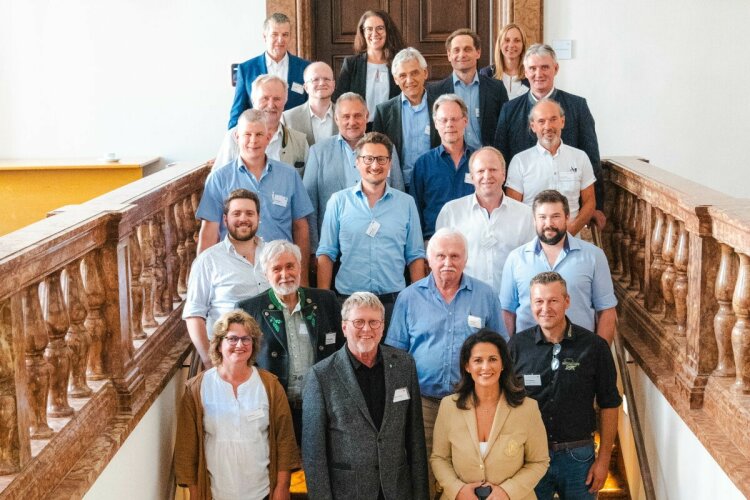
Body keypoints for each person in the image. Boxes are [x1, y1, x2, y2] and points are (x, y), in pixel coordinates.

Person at [386, 227, 504, 497]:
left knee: (469, 473)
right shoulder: (409, 298)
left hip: (470, 402)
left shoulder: (485, 296)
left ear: (465, 258)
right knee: (423, 469)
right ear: (429, 259)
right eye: (441, 256)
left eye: (455, 256)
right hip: (424, 403)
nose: (448, 263)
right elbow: (395, 358)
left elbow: (500, 350)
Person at [302, 292, 429, 500]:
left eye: (373, 322)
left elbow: (415, 440)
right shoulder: (321, 375)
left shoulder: (404, 365)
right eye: (358, 322)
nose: (367, 329)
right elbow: (314, 455)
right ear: (344, 327)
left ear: (383, 326)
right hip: (348, 492)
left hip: (397, 490)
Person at [509, 272, 622, 499]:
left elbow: (609, 404)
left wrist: (603, 461)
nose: (545, 308)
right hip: (530, 457)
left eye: (553, 300)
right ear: (531, 304)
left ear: (567, 301)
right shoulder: (516, 346)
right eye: (539, 301)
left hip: (578, 457)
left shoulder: (594, 347)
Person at [174, 310, 299, 500]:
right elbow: (187, 448)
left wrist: (282, 487)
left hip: (262, 492)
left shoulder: (270, 386)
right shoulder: (196, 389)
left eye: (246, 339)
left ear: (253, 344)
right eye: (232, 339)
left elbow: (285, 441)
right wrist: (195, 492)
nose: (240, 345)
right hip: (215, 493)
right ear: (218, 344)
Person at [236, 240, 343, 442]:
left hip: (321, 406)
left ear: (300, 267)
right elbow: (243, 364)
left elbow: (341, 350)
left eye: (290, 266)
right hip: (274, 409)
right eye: (276, 269)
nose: (285, 274)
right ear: (265, 274)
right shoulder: (249, 310)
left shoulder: (326, 301)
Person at [316, 132, 426, 327]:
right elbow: (326, 253)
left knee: (394, 356)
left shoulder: (406, 203)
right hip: (349, 301)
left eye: (381, 159)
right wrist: (324, 301)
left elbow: (415, 256)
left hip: (394, 303)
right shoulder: (338, 201)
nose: (375, 165)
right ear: (357, 162)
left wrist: (418, 299)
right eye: (368, 159)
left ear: (390, 163)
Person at [493, 43, 606, 228]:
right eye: (533, 68)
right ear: (525, 72)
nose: (539, 74)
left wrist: (598, 206)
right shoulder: (509, 110)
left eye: (545, 67)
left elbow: (592, 157)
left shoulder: (577, 106)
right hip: (525, 217)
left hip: (570, 216)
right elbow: (501, 158)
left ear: (556, 69)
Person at [196, 109, 313, 283]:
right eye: (247, 134)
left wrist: (302, 279)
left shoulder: (289, 175)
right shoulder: (219, 178)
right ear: (237, 137)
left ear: (268, 137)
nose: (253, 140)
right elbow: (209, 232)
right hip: (233, 271)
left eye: (259, 134)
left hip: (281, 272)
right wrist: (202, 281)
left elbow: (300, 227)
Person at [431, 330, 549, 500]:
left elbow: (539, 461)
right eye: (478, 360)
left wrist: (507, 492)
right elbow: (439, 458)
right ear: (467, 366)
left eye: (493, 359)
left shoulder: (528, 408)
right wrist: (458, 490)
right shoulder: (448, 406)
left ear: (503, 364)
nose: (486, 367)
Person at [500, 190, 617, 342]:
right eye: (542, 217)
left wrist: (600, 355)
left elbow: (606, 310)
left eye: (555, 216)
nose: (549, 224)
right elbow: (507, 312)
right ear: (534, 220)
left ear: (567, 218)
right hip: (529, 355)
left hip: (579, 352)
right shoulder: (516, 259)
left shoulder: (594, 256)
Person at [303, 93, 405, 252]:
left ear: (367, 116)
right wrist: (314, 249)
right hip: (333, 247)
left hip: (381, 244)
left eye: (357, 115)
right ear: (336, 119)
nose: (352, 122)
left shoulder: (385, 148)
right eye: (346, 116)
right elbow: (309, 205)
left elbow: (398, 194)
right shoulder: (318, 152)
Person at [183, 189, 270, 368]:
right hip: (229, 357)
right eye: (236, 213)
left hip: (271, 355)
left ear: (258, 217)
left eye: (249, 213)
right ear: (225, 219)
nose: (243, 219)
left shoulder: (273, 254)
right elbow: (194, 314)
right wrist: (211, 362)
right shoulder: (208, 260)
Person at [435, 147, 535, 298]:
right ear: (472, 177)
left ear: (504, 174)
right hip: (464, 301)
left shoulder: (525, 214)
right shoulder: (451, 212)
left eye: (493, 169)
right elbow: (440, 263)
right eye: (480, 171)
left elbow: (532, 263)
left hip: (512, 302)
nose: (487, 176)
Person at [506, 99, 596, 236]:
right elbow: (513, 207)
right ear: (533, 126)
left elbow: (589, 202)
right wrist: (542, 238)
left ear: (562, 122)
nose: (548, 126)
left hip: (571, 240)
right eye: (541, 121)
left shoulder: (580, 157)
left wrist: (569, 234)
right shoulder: (520, 161)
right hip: (532, 242)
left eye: (553, 119)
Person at [428, 28, 508, 151]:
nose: (462, 55)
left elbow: (504, 130)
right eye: (456, 50)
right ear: (449, 55)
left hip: (486, 162)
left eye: (467, 49)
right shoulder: (435, 91)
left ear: (478, 52)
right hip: (450, 162)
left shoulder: (496, 88)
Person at [228, 12, 310, 129]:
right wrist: (234, 140)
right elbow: (238, 112)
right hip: (259, 138)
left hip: (295, 138)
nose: (280, 40)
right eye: (275, 34)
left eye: (285, 34)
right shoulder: (246, 69)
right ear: (265, 36)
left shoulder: (305, 68)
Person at [409, 94, 475, 240]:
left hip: (474, 242)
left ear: (465, 121)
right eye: (443, 120)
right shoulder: (423, 164)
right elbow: (415, 212)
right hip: (434, 243)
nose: (449, 124)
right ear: (435, 123)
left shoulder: (480, 161)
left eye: (454, 119)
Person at [372, 47, 439, 189]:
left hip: (435, 184)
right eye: (402, 75)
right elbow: (377, 152)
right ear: (396, 79)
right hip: (398, 186)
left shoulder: (441, 106)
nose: (409, 80)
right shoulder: (383, 112)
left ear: (425, 73)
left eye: (414, 73)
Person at [216, 75, 309, 176]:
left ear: (285, 102)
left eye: (277, 99)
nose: (271, 105)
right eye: (265, 98)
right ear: (253, 100)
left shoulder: (300, 142)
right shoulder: (233, 137)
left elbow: (306, 187)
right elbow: (218, 182)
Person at [333, 9, 404, 124]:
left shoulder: (399, 64)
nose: (374, 33)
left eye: (380, 28)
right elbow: (339, 100)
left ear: (388, 31)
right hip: (359, 129)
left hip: (392, 129)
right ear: (363, 33)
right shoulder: (351, 64)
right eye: (369, 29)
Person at [283, 61, 339, 146]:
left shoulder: (346, 116)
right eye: (315, 79)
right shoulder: (288, 118)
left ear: (333, 85)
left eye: (326, 79)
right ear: (306, 87)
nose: (322, 83)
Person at [479, 23, 530, 100]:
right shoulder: (486, 74)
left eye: (517, 40)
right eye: (507, 40)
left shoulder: (531, 73)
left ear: (523, 45)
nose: (511, 45)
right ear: (499, 44)